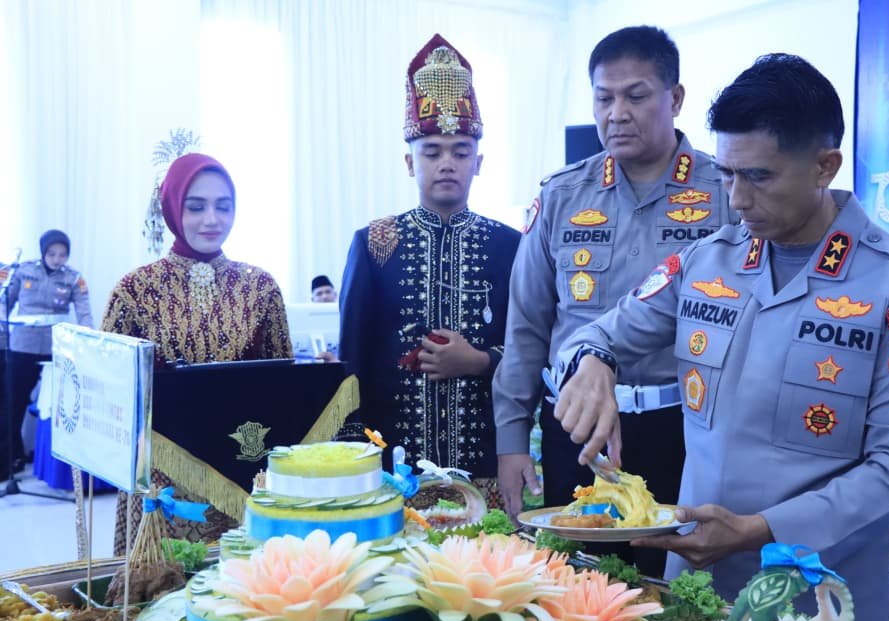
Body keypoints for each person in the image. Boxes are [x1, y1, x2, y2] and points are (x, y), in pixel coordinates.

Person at [552, 53, 889, 621]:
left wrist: (760, 531)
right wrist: (595, 363)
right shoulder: (706, 262)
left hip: (817, 610)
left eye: (759, 177)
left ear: (825, 166)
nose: (737, 199)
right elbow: (595, 332)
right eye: (727, 174)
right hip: (696, 599)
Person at [492, 26, 736, 568]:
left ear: (675, 98)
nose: (617, 114)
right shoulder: (562, 195)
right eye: (604, 98)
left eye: (636, 96)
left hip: (681, 431)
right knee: (574, 584)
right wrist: (511, 441)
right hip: (576, 432)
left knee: (673, 589)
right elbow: (527, 327)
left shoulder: (725, 193)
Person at [338, 34, 520, 508]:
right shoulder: (374, 243)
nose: (447, 164)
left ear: (479, 162)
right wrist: (354, 465)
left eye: (461, 151)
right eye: (432, 151)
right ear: (409, 162)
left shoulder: (511, 246)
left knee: (488, 559)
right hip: (392, 471)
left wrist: (480, 361)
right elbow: (350, 368)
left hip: (486, 463)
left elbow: (532, 351)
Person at [102, 152, 293, 553]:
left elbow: (283, 386)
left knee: (241, 580)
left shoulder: (260, 288)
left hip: (241, 472)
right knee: (161, 580)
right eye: (196, 206)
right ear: (173, 208)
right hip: (161, 480)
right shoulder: (134, 291)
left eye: (223, 206)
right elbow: (110, 392)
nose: (212, 219)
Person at [0, 230, 93, 478]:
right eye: (52, 254)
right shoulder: (23, 271)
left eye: (62, 254)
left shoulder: (74, 278)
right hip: (23, 346)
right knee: (13, 404)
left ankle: (58, 465)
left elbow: (84, 313)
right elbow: (4, 302)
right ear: (43, 252)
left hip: (57, 349)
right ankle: (9, 460)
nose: (57, 259)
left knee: (61, 404)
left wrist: (89, 340)